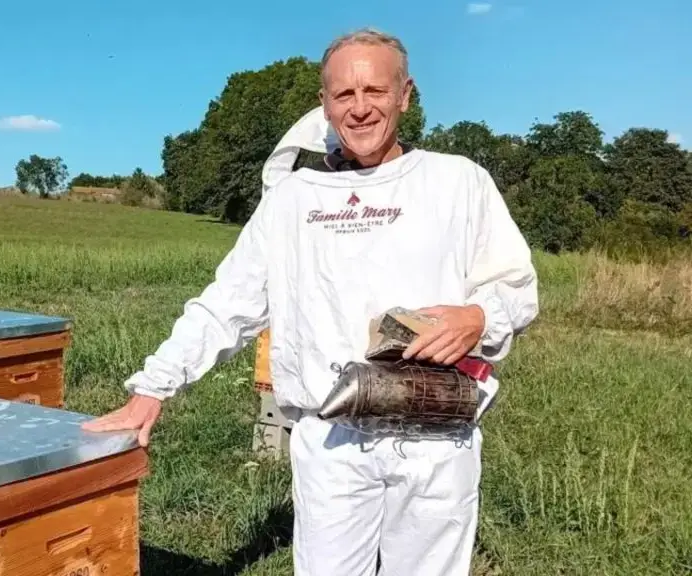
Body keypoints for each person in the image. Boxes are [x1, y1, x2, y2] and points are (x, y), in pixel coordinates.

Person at [83, 27, 539, 576]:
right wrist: (152, 389)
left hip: (434, 436)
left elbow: (516, 286)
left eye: (375, 91)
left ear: (405, 94)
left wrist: (479, 315)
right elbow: (226, 303)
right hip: (331, 438)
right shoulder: (293, 201)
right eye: (344, 94)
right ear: (325, 104)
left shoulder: (458, 182)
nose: (361, 108)